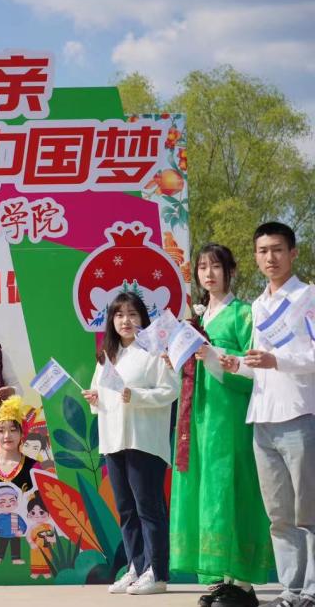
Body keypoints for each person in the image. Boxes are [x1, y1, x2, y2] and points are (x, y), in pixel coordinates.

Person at [170, 244, 273, 607]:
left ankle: (243, 583)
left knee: (233, 489)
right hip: (199, 416)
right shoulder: (196, 319)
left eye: (216, 266)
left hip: (229, 415)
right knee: (208, 493)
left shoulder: (244, 313)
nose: (209, 274)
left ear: (231, 270)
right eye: (202, 267)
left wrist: (216, 356)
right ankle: (224, 579)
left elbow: (254, 369)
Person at [220, 222, 315, 607]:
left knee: (309, 512)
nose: (270, 257)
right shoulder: (258, 305)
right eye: (262, 251)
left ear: (293, 253)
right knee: (279, 515)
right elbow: (260, 365)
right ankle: (292, 590)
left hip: (300, 415)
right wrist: (238, 365)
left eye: (277, 249)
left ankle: (312, 591)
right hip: (262, 419)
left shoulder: (308, 298)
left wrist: (278, 360)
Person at [82, 292, 179, 596]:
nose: (126, 321)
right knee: (125, 509)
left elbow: (171, 390)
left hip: (144, 440)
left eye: (133, 314)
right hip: (114, 441)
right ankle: (137, 566)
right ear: (111, 320)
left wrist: (134, 396)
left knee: (148, 508)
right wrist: (95, 399)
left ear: (143, 319)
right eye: (119, 315)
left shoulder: (155, 352)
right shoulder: (107, 355)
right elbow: (102, 395)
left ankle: (157, 572)